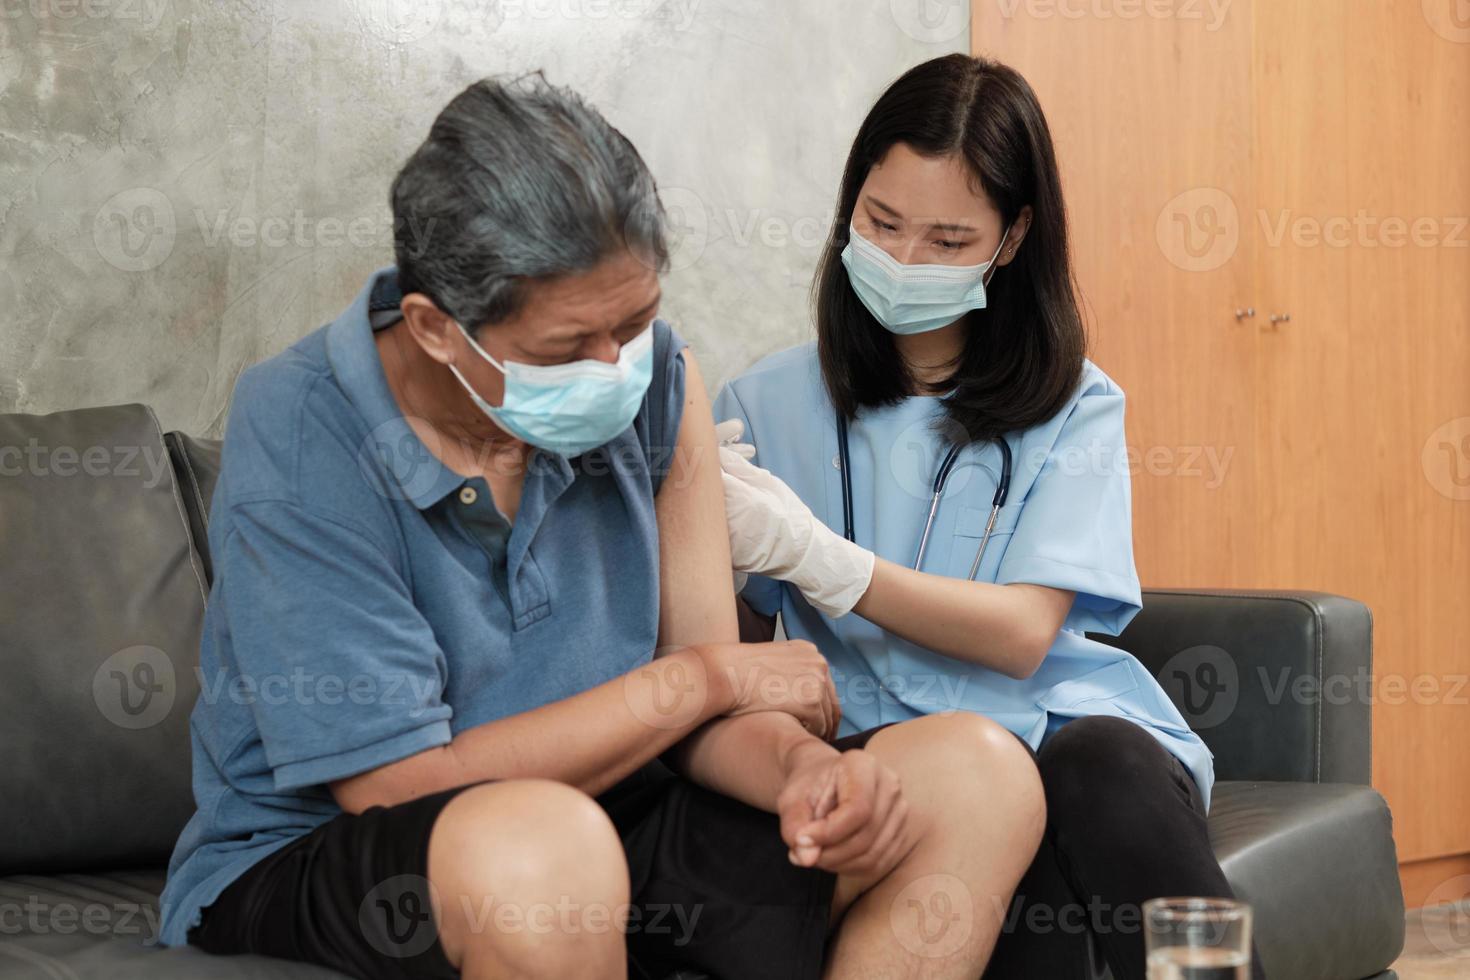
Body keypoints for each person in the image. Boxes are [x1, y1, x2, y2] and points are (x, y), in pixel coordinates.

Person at [157, 72, 1047, 980]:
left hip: (615, 814)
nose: (616, 366)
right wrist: (696, 680)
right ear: (434, 329)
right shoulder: (306, 430)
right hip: (337, 855)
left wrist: (803, 775)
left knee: (978, 776)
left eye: (636, 321)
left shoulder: (659, 382)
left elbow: (713, 721)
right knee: (545, 846)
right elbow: (395, 785)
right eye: (565, 347)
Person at [713, 53, 1266, 980]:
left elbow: (1021, 635)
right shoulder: (761, 402)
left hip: (1053, 730)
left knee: (1095, 777)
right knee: (979, 844)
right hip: (882, 755)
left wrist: (825, 561)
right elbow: (733, 649)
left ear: (1011, 240)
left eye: (947, 240)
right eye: (882, 224)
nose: (903, 261)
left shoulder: (1075, 407)